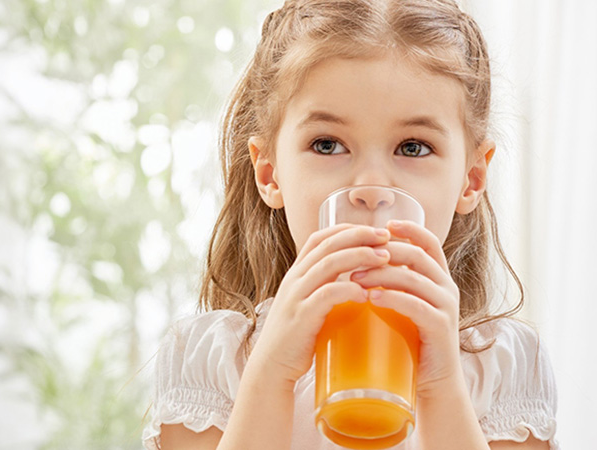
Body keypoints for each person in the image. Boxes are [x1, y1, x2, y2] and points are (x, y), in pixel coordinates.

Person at [142, 0, 559, 448]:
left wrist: (441, 387)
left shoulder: (506, 368)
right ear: (269, 173)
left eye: (413, 147)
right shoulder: (212, 360)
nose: (372, 188)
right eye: (327, 144)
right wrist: (272, 374)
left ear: (471, 179)